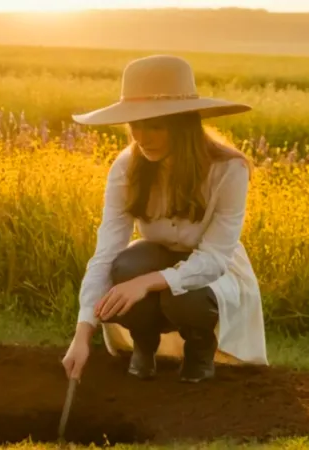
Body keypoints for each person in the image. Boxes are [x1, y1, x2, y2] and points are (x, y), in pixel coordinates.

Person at [61, 54, 268, 384]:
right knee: (122, 269)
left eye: (156, 125)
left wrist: (146, 283)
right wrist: (82, 335)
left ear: (184, 122)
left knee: (183, 293)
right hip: (152, 255)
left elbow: (214, 259)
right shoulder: (128, 166)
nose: (142, 137)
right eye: (135, 124)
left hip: (211, 269)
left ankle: (200, 348)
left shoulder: (229, 169)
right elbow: (105, 254)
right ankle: (144, 342)